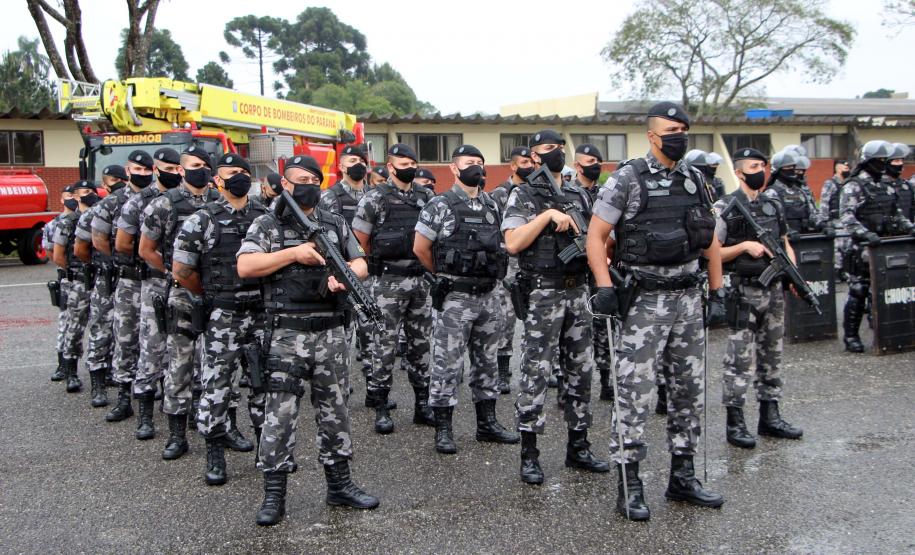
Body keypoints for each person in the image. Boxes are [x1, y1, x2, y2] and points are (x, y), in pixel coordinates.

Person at [586, 102, 724, 521]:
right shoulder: (627, 179)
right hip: (645, 301)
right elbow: (596, 237)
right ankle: (630, 485)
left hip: (687, 297)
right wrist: (605, 287)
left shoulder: (696, 179)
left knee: (688, 391)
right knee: (635, 394)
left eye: (683, 127)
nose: (679, 134)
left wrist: (717, 289)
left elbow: (709, 239)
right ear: (651, 135)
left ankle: (682, 478)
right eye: (671, 128)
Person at [237, 154, 379, 526]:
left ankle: (340, 485)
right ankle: (274, 495)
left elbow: (361, 260)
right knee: (280, 416)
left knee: (335, 411)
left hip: (330, 331)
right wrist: (293, 254)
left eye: (313, 178)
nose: (306, 184)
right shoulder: (267, 224)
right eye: (298, 178)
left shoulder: (334, 221)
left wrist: (346, 276)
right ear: (284, 184)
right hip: (286, 333)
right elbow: (246, 265)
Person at [501, 129, 608, 485]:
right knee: (536, 372)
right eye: (549, 149)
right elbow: (513, 242)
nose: (556, 153)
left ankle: (578, 446)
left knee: (581, 371)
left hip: (578, 291)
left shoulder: (579, 194)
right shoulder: (524, 194)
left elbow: (598, 240)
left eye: (561, 148)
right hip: (543, 293)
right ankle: (529, 452)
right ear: (533, 156)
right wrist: (546, 215)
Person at [413, 144, 519, 454]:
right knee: (447, 365)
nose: (476, 167)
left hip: (488, 297)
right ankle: (444, 429)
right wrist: (445, 275)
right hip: (455, 299)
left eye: (479, 162)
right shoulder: (440, 205)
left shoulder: (491, 205)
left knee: (486, 363)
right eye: (469, 162)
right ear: (454, 169)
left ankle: (487, 424)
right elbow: (420, 248)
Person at [170, 153, 268, 483]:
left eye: (244, 171)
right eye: (232, 173)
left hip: (260, 313)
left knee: (263, 383)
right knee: (216, 385)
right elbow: (182, 270)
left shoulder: (263, 215)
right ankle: (215, 453)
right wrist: (211, 296)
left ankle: (264, 452)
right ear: (218, 179)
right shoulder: (202, 219)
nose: (239, 177)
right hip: (223, 315)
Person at [139, 145, 229, 460]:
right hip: (183, 294)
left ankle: (217, 426)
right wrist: (176, 276)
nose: (200, 170)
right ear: (181, 169)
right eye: (194, 165)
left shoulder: (221, 202)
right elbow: (146, 249)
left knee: (217, 364)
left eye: (206, 165)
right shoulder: (163, 205)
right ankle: (177, 435)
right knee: (180, 364)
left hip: (216, 293)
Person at [715, 147, 803, 449]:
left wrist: (792, 273)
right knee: (739, 358)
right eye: (753, 166)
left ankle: (770, 416)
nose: (760, 171)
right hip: (744, 290)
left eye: (763, 165)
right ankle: (735, 422)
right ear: (739, 172)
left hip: (773, 290)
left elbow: (784, 242)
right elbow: (712, 251)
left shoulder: (772, 204)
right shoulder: (725, 206)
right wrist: (743, 247)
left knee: (772, 354)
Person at [352, 143, 436, 433]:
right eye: (403, 162)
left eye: (413, 162)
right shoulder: (374, 199)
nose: (409, 166)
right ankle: (381, 407)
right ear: (390, 167)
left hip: (420, 282)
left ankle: (423, 405)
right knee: (383, 346)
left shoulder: (427, 196)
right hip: (385, 282)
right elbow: (359, 243)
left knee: (421, 345)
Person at [117, 147, 178, 440]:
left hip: (185, 284)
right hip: (155, 282)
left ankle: (178, 411)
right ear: (157, 169)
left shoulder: (193, 200)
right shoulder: (141, 202)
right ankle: (144, 414)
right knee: (152, 346)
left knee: (181, 349)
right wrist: (165, 268)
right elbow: (123, 244)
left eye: (176, 166)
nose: (173, 171)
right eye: (167, 167)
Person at [840, 140, 915, 353]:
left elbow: (896, 214)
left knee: (891, 288)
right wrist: (865, 233)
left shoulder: (884, 185)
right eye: (879, 161)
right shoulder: (855, 185)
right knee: (859, 291)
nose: (883, 164)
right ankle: (851, 336)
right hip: (862, 248)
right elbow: (846, 216)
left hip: (885, 246)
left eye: (885, 160)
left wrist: (910, 228)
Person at [95, 152, 153, 422]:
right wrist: (124, 261)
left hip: (154, 277)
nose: (143, 172)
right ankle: (123, 396)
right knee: (126, 337)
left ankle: (153, 397)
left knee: (156, 340)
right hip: (129, 279)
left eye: (147, 168)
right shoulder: (113, 202)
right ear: (128, 171)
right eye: (138, 168)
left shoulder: (160, 199)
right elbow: (99, 241)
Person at [74, 168, 127, 406]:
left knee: (128, 334)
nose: (120, 184)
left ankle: (127, 382)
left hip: (129, 279)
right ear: (104, 184)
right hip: (106, 279)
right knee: (101, 330)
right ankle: (98, 386)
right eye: (114, 181)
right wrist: (107, 263)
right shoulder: (97, 211)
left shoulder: (133, 207)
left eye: (122, 179)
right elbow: (81, 250)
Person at [489, 146, 534, 394]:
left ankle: (535, 369)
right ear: (514, 166)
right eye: (524, 162)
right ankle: (503, 370)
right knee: (505, 320)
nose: (530, 165)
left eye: (532, 161)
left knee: (534, 318)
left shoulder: (537, 192)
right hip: (508, 263)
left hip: (533, 263)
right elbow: (493, 231)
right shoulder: (499, 195)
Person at [573, 143, 614, 402]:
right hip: (575, 270)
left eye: (598, 160)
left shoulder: (607, 194)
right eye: (589, 160)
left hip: (601, 268)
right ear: (577, 165)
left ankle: (607, 379)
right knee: (575, 329)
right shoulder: (566, 194)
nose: (595, 165)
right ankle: (571, 381)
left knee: (603, 325)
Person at [52, 180, 100, 393]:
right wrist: (72, 274)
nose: (90, 195)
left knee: (101, 327)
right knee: (74, 326)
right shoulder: (68, 221)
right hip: (77, 281)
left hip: (98, 280)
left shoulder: (100, 217)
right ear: (76, 196)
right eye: (85, 192)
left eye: (92, 191)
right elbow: (58, 255)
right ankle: (70, 371)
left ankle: (102, 373)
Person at [47, 187, 75, 382]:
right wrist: (71, 269)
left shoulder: (85, 218)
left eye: (75, 196)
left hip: (87, 278)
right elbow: (52, 254)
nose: (72, 199)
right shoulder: (53, 224)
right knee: (66, 323)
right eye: (68, 196)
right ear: (61, 199)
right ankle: (62, 365)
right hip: (66, 277)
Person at [762, 150, 825, 235]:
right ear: (777, 170)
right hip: (785, 241)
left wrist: (822, 225)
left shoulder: (800, 192)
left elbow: (812, 214)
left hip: (805, 238)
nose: (792, 170)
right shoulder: (771, 192)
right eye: (787, 167)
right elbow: (770, 221)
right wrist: (787, 231)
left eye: (793, 167)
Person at [820, 159, 851, 278]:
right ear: (837, 168)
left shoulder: (849, 183)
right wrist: (824, 222)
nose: (847, 170)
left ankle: (845, 271)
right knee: (837, 250)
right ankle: (836, 273)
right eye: (845, 168)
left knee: (847, 249)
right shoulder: (830, 183)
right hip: (835, 222)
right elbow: (824, 202)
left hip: (847, 222)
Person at [885, 143, 913, 222]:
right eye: (896, 161)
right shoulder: (876, 186)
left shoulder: (907, 186)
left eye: (901, 160)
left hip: (907, 232)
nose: (901, 163)